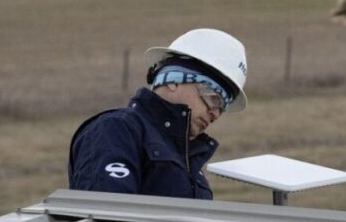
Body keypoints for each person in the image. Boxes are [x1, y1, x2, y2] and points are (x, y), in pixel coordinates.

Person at [68, 28, 248, 199]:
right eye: (214, 99)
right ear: (174, 81)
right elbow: (105, 214)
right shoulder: (115, 131)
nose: (215, 114)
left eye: (222, 108)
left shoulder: (190, 164)